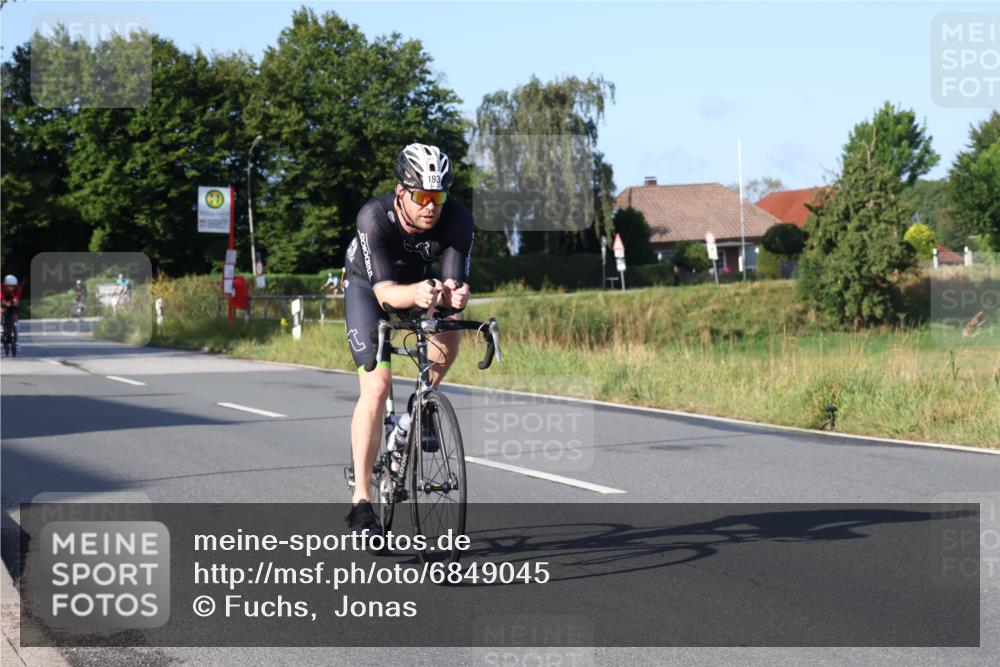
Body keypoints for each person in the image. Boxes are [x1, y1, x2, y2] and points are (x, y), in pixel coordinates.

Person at [342, 143, 473, 537]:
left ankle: (421, 405)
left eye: (439, 196)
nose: (431, 206)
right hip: (369, 288)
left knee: (449, 324)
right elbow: (385, 294)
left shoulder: (458, 219)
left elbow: (452, 281)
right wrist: (418, 293)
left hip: (417, 286)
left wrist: (454, 295)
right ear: (402, 192)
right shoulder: (373, 218)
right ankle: (361, 502)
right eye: (422, 197)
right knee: (377, 387)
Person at [1, 275, 23, 349]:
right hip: (3, 301)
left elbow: (17, 297)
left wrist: (14, 301)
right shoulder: (1, 287)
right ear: (5, 285)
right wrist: (4, 302)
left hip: (13, 302)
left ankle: (16, 334)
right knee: (1, 311)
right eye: (9, 286)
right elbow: (1, 297)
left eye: (13, 286)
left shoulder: (18, 287)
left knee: (15, 314)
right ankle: (1, 328)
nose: (11, 288)